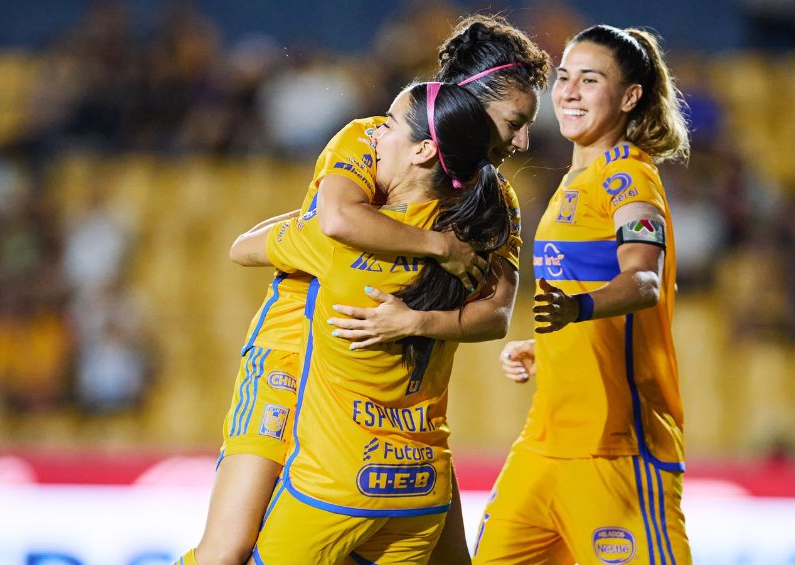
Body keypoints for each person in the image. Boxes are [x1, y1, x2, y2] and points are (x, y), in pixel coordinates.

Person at [178, 14, 551, 565]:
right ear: (467, 101)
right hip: (290, 360)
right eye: (514, 120)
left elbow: (497, 315)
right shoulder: (372, 137)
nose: (522, 140)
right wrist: (438, 247)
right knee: (227, 547)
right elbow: (335, 218)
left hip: (387, 408)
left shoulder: (494, 200)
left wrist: (417, 320)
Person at [231, 81, 511, 563]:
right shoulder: (474, 243)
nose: (376, 133)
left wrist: (325, 205)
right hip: (421, 490)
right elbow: (496, 317)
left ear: (423, 148)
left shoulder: (336, 241)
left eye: (389, 124)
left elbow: (242, 247)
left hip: (336, 484)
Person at [473, 25, 693, 564]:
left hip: (615, 450)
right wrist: (548, 347)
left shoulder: (628, 179)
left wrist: (579, 308)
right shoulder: (573, 183)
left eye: (589, 80)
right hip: (545, 445)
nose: (569, 91)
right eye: (564, 77)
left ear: (629, 96)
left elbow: (642, 279)